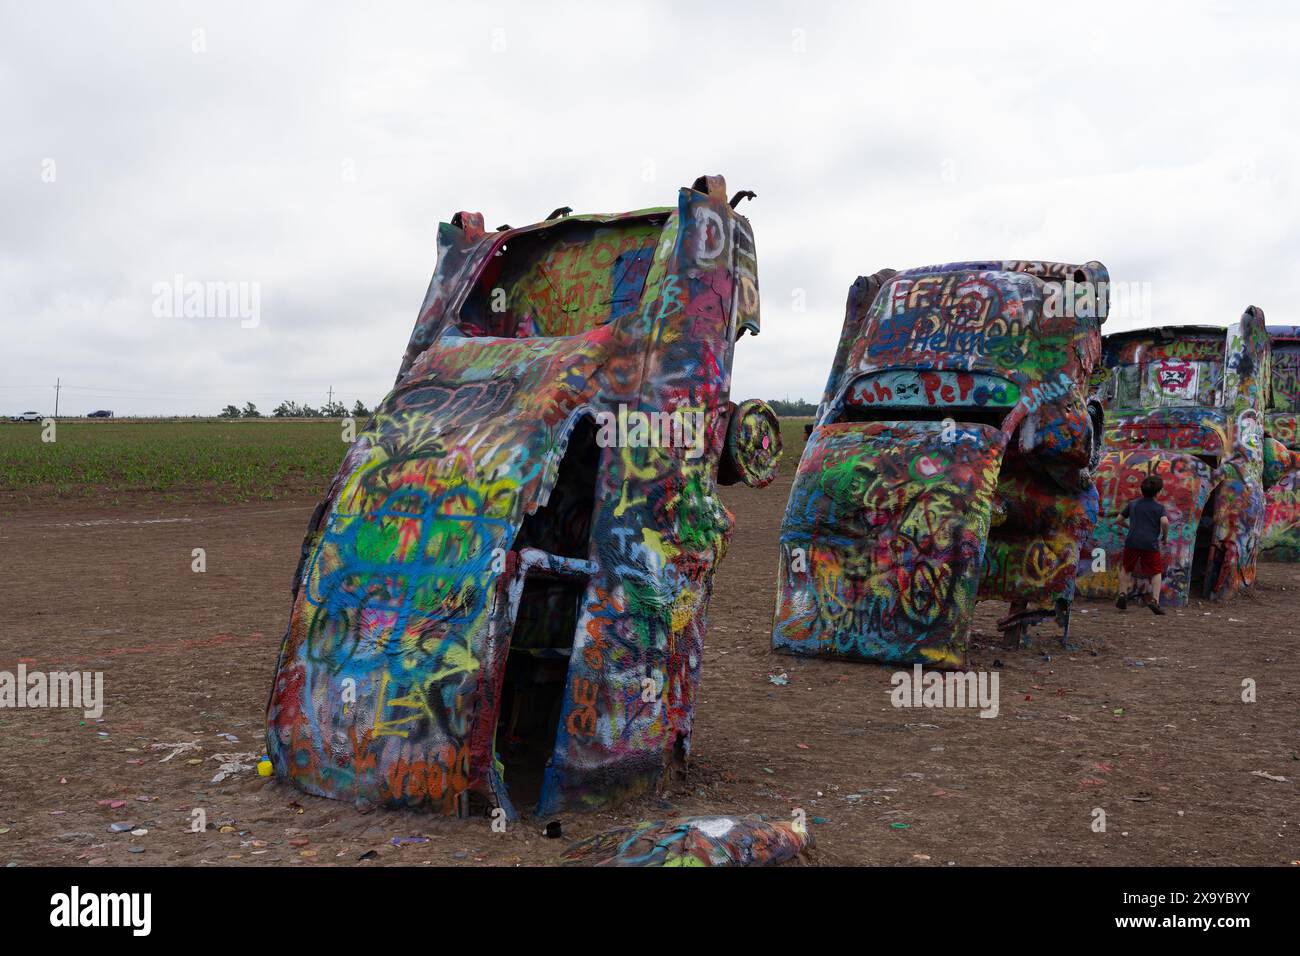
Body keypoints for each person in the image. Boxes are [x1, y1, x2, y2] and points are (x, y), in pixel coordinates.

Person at [1115, 475, 1169, 614]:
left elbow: (1118, 519)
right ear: (1158, 492)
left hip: (1132, 541)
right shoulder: (1159, 508)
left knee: (1127, 568)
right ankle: (1155, 601)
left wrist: (1129, 527)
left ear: (1142, 489)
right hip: (1149, 543)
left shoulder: (1133, 504)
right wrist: (1165, 536)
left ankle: (1122, 594)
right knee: (1156, 572)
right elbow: (1164, 522)